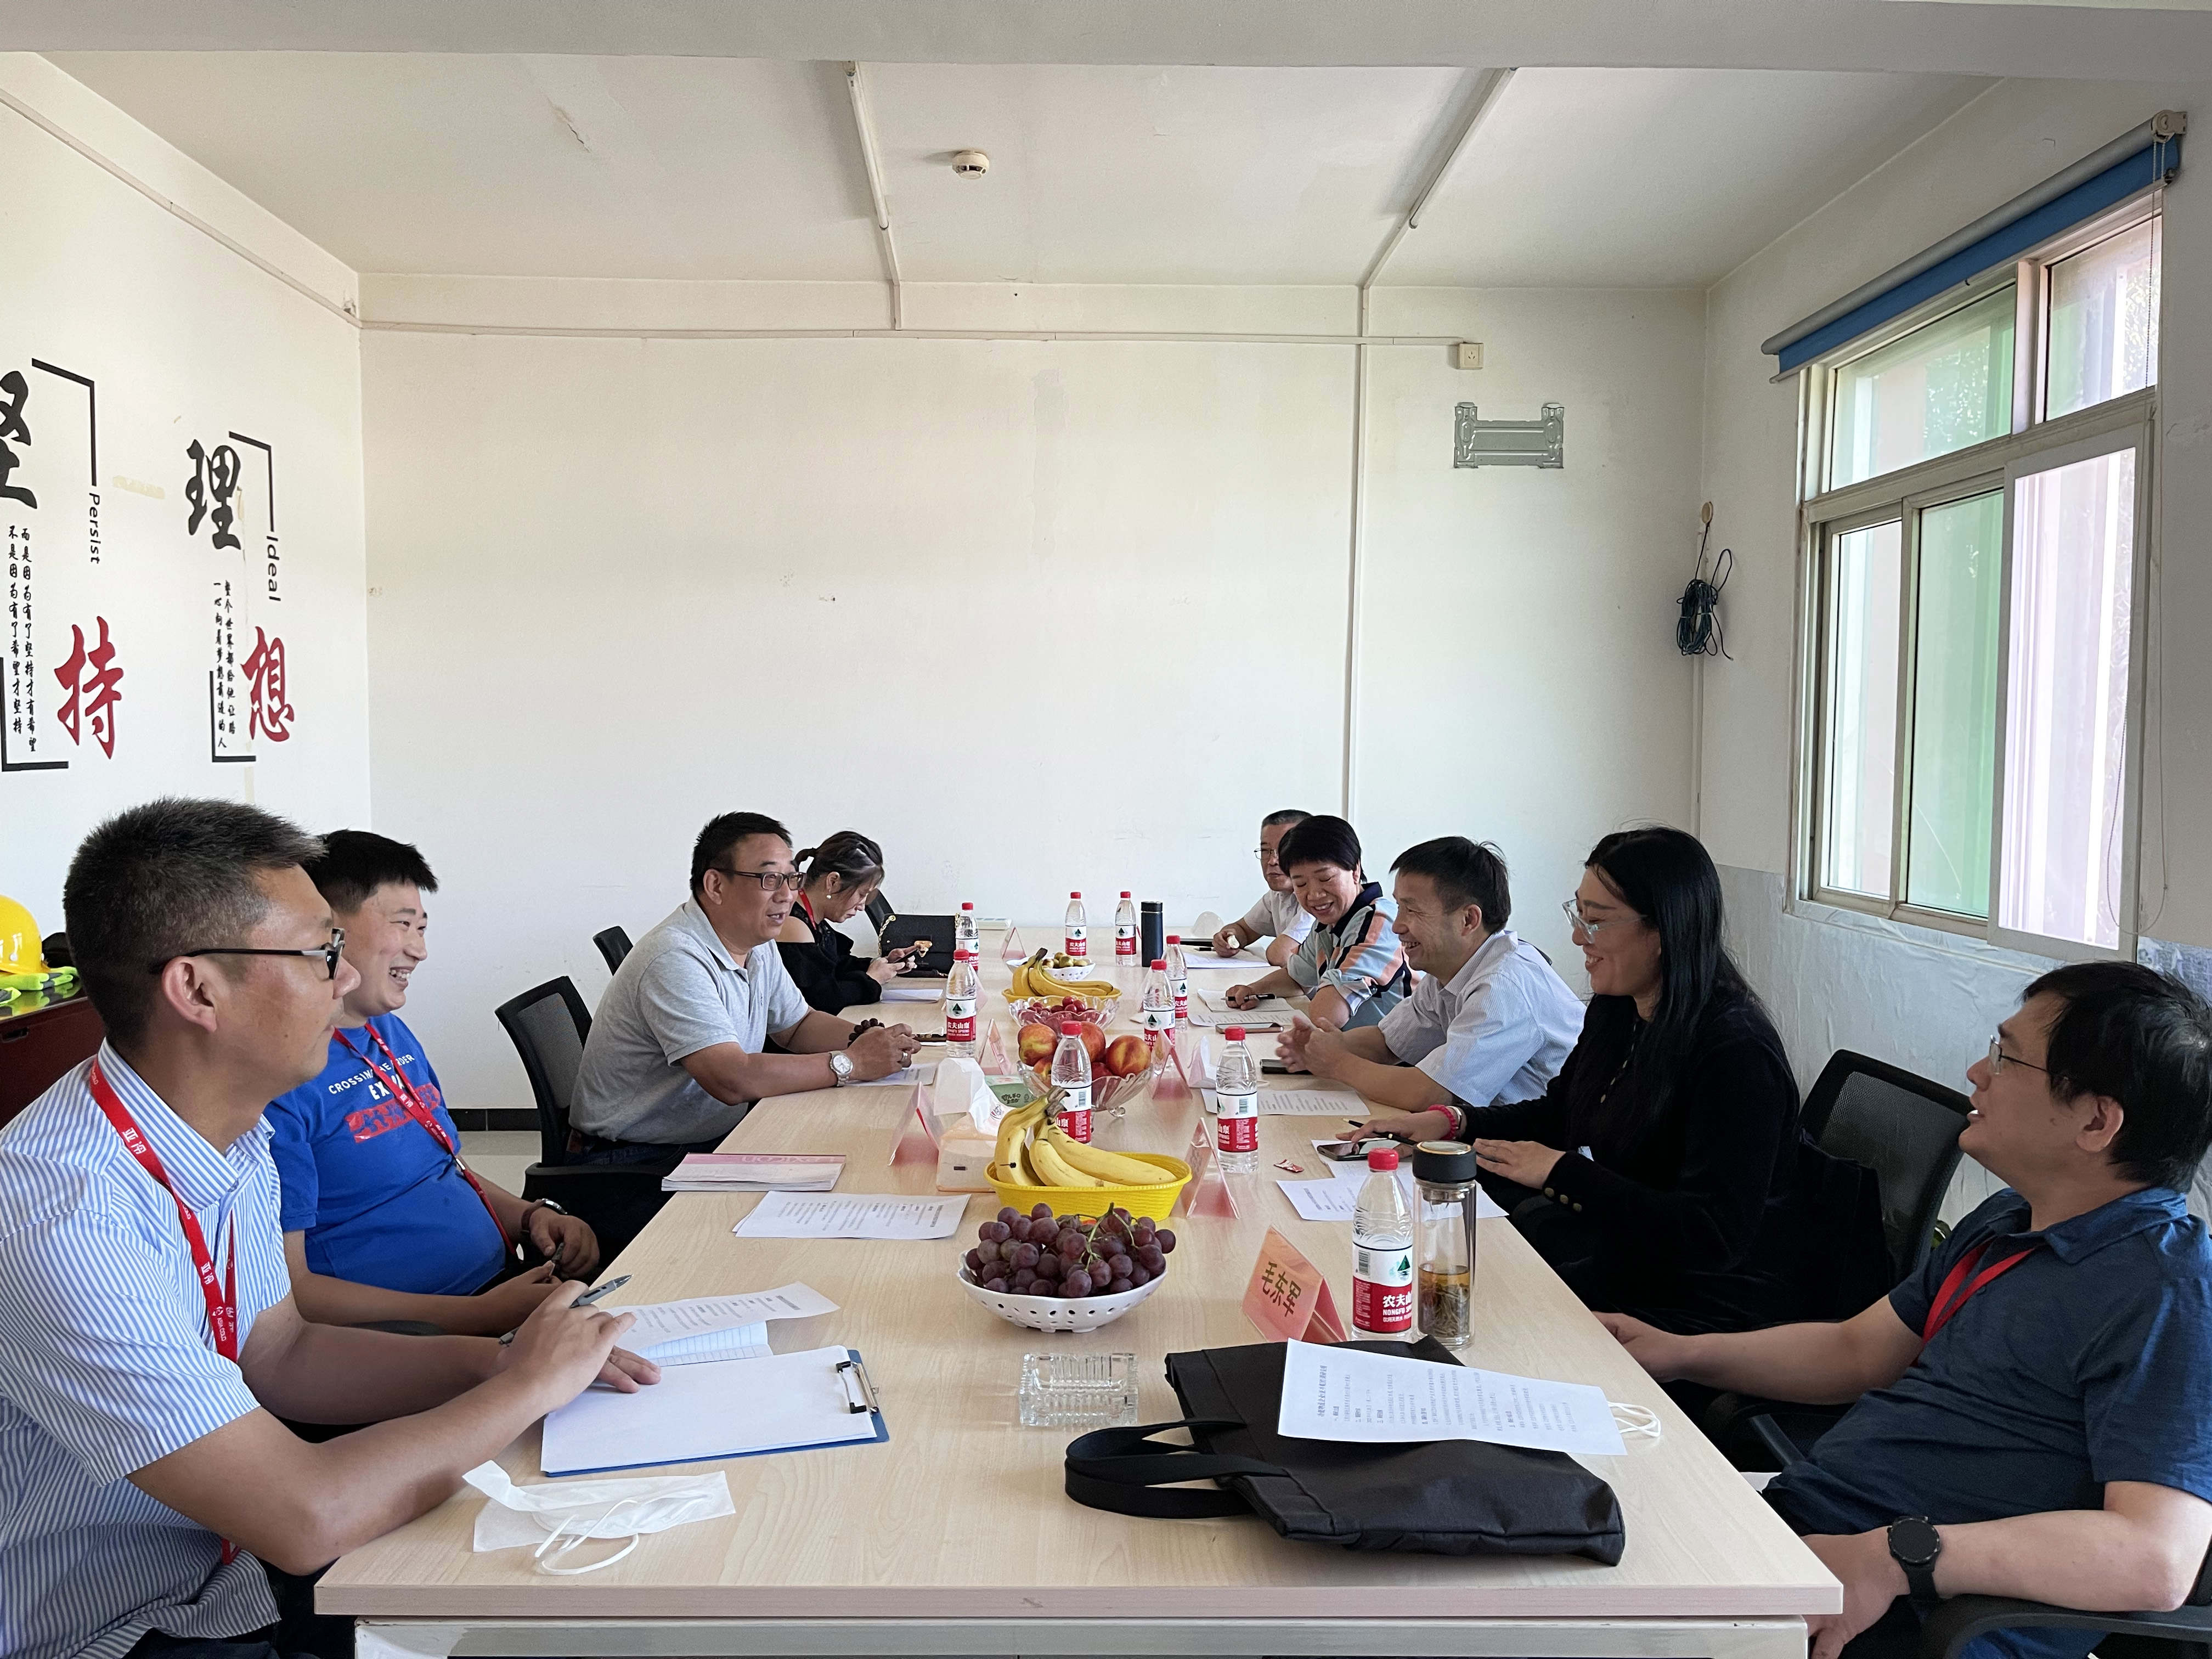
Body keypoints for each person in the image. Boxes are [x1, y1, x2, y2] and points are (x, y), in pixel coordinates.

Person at [0, 798, 656, 1659]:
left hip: (225, 1575)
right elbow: (304, 1518)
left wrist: (505, 1362)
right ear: (197, 989)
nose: (345, 980)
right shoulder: (64, 1219)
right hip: (109, 1628)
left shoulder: (235, 1130)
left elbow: (281, 1353)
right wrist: (524, 1389)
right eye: (319, 954)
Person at [1604, 963, 2212, 1659]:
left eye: (2007, 1058)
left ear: (2097, 1121)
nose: (1977, 1073)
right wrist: (1676, 1350)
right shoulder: (2010, 1220)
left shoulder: (2165, 1290)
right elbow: (1857, 1352)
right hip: (1803, 1539)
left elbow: (2156, 1557)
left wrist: (1898, 1556)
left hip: (1893, 1616)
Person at [1431, 826, 1804, 1333]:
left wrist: (1561, 1172)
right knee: (1469, 1259)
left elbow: (1712, 1235)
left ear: (1663, 930)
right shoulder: (1619, 1008)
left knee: (1501, 1307)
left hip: (1710, 1294)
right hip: (1635, 1249)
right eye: (1579, 915)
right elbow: (1561, 1111)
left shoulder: (1736, 1052)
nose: (1578, 937)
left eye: (1597, 922)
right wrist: (1453, 1124)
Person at [262, 831, 599, 1339]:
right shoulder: (283, 1077)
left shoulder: (388, 1031)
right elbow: (291, 1295)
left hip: (498, 1291)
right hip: (409, 1338)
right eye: (402, 925)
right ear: (325, 928)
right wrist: (480, 1317)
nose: (419, 950)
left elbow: (444, 1168)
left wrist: (531, 1217)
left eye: (421, 928)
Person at [571, 811, 922, 1165]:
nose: (787, 895)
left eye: (791, 878)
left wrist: (873, 1041)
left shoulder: (757, 943)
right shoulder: (675, 959)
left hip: (716, 1133)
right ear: (716, 886)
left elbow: (797, 1026)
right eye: (770, 879)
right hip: (636, 1157)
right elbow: (731, 1079)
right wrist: (852, 1063)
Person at [1282, 837, 1583, 1116]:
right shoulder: (1450, 970)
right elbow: (1388, 1042)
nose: (1397, 926)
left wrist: (1338, 1063)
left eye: (1412, 911)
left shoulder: (1504, 984)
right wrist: (1324, 1045)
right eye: (1399, 908)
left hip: (1545, 1150)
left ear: (1468, 920)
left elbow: (1432, 1094)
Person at [1223, 815, 1410, 1031]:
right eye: (1301, 884)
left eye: (1325, 879)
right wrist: (1254, 990)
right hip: (1352, 1043)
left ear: (1355, 870)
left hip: (1393, 1050)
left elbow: (1327, 1015)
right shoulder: (1328, 923)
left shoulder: (1377, 923)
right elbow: (1297, 978)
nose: (1314, 895)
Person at [775, 831, 932, 1014]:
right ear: (833, 882)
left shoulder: (811, 919)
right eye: (862, 894)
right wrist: (871, 980)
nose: (862, 906)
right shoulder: (794, 926)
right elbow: (822, 999)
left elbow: (837, 965)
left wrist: (882, 964)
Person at [1208, 809, 1316, 967]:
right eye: (1265, 851)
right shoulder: (1277, 895)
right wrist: (1229, 938)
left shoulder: (1318, 898)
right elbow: (1243, 930)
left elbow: (1281, 956)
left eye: (1284, 849)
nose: (1272, 861)